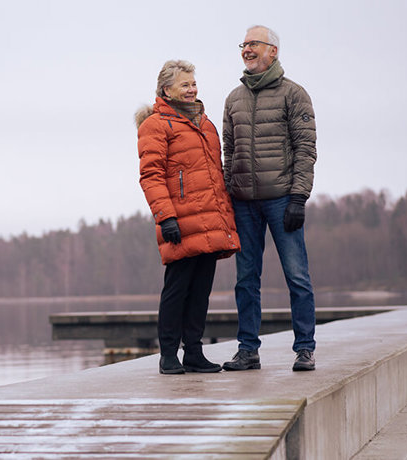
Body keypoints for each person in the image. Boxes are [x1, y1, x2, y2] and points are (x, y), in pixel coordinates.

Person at [221, 25, 318, 372]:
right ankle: (248, 350)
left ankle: (305, 348)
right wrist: (228, 194)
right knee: (246, 280)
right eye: (243, 44)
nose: (246, 49)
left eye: (253, 44)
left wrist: (298, 197)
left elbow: (306, 149)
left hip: (282, 201)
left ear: (272, 51)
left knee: (297, 276)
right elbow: (228, 151)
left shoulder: (294, 94)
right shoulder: (234, 98)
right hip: (244, 203)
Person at [135, 59, 241, 375]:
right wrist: (165, 217)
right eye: (185, 84)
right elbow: (150, 175)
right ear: (166, 90)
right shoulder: (155, 125)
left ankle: (194, 353)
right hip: (180, 221)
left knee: (200, 291)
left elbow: (213, 175)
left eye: (193, 83)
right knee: (176, 290)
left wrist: (224, 216)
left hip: (210, 218)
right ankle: (168, 355)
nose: (192, 89)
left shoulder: (205, 125)